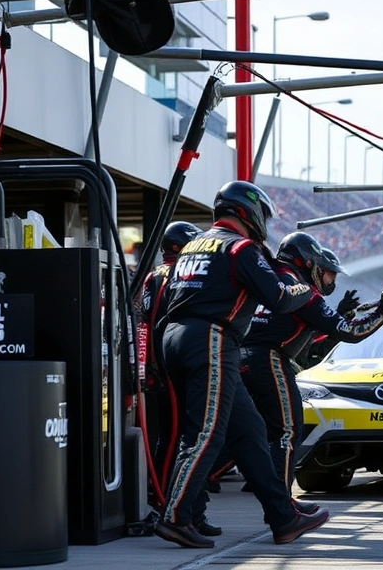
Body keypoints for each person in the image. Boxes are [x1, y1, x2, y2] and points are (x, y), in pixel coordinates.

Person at [155, 180, 329, 548]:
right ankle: (175, 517)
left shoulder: (193, 245)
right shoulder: (241, 247)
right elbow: (280, 298)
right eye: (262, 214)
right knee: (206, 435)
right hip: (211, 339)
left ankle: (283, 517)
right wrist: (304, 288)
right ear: (248, 211)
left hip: (175, 337)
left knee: (247, 432)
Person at [240, 232, 383, 511]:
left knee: (232, 434)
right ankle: (281, 506)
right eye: (328, 274)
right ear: (309, 264)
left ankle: (190, 508)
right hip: (268, 360)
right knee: (287, 431)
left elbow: (310, 338)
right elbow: (352, 333)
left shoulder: (268, 280)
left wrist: (339, 312)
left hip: (236, 357)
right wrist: (382, 311)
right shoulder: (302, 290)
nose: (331, 281)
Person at [131, 221, 222, 538]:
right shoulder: (175, 277)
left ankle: (191, 509)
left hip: (158, 366)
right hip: (170, 367)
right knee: (178, 439)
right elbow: (161, 323)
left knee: (182, 438)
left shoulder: (151, 277)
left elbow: (145, 323)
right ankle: (171, 505)